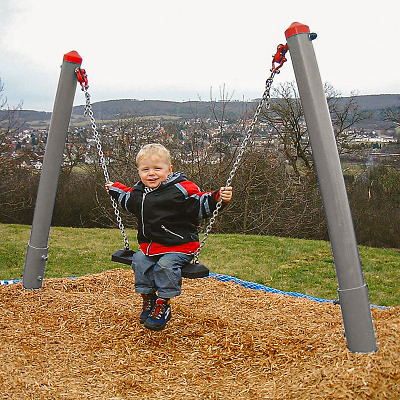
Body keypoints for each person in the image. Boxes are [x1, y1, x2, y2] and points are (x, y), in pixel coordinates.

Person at [106, 143, 232, 331]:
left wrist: (218, 198)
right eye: (145, 169)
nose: (152, 173)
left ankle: (163, 303)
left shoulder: (181, 190)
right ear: (139, 171)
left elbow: (199, 202)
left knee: (165, 266)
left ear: (169, 170)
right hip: (151, 246)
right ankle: (148, 298)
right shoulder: (140, 193)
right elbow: (127, 198)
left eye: (158, 168)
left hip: (180, 246)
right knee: (139, 260)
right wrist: (114, 189)